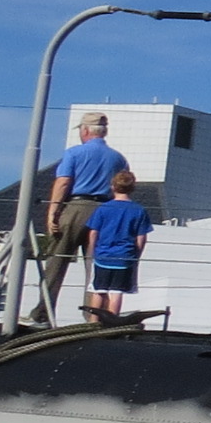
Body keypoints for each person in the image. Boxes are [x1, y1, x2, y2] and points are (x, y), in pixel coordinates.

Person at [32, 111, 131, 324]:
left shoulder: (74, 153)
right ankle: (94, 317)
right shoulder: (119, 158)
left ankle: (43, 313)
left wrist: (53, 212)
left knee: (56, 261)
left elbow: (64, 182)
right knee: (95, 266)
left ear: (85, 130)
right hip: (106, 211)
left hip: (76, 207)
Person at [84, 171, 152, 323]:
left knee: (98, 291)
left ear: (113, 187)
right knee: (116, 292)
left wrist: (93, 251)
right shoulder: (139, 210)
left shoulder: (103, 208)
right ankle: (112, 323)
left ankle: (93, 322)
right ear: (132, 188)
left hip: (103, 256)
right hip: (124, 257)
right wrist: (136, 255)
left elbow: (93, 233)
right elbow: (141, 237)